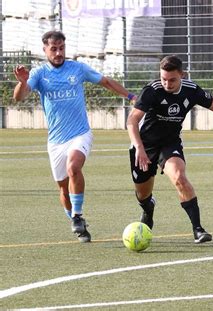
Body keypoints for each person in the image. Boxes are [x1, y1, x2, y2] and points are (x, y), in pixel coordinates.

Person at [12, 30, 136, 243]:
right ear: (45, 50)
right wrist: (23, 83)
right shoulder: (39, 74)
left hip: (80, 133)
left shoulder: (77, 69)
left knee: (74, 167)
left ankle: (77, 216)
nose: (59, 53)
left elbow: (105, 81)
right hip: (55, 141)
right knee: (63, 188)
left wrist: (131, 96)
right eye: (54, 49)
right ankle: (77, 222)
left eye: (61, 48)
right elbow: (19, 98)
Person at [126, 55, 213, 244]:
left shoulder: (191, 90)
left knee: (179, 177)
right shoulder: (151, 91)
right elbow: (132, 120)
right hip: (144, 144)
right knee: (143, 194)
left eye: (172, 80)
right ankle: (148, 208)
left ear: (182, 75)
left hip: (170, 143)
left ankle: (198, 229)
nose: (167, 84)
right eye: (163, 79)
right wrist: (139, 147)